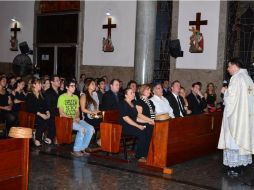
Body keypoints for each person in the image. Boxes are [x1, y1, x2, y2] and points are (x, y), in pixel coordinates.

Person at [218, 58, 254, 177]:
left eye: (229, 66)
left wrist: (225, 92)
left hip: (236, 117)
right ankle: (242, 165)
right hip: (246, 116)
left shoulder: (236, 78)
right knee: (242, 139)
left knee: (234, 140)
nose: (228, 69)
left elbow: (232, 99)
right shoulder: (248, 79)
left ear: (235, 66)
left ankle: (235, 167)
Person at [57, 78, 94, 157]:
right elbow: (61, 112)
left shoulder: (76, 97)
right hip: (66, 120)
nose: (74, 87)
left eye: (75, 86)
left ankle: (83, 148)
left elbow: (78, 111)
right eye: (72, 86)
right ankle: (76, 150)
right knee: (82, 129)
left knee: (90, 128)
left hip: (75, 119)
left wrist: (77, 117)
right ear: (67, 87)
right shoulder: (62, 97)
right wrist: (72, 119)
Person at [119, 88, 153, 162]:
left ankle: (146, 152)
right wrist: (138, 126)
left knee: (149, 127)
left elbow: (136, 118)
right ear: (126, 95)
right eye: (131, 93)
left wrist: (146, 122)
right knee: (142, 132)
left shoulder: (133, 104)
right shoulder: (123, 103)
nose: (133, 94)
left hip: (132, 124)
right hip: (125, 126)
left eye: (133, 92)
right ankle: (140, 155)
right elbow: (126, 118)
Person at [26, 78, 51, 146]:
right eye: (39, 84)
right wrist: (40, 114)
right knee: (42, 120)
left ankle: (47, 137)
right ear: (34, 85)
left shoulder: (41, 94)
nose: (41, 85)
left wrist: (48, 112)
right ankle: (37, 138)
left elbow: (45, 105)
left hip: (41, 113)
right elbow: (30, 108)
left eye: (40, 83)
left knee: (50, 119)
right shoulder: (30, 95)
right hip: (33, 114)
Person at [80, 79, 101, 144]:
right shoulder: (84, 95)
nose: (94, 85)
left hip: (95, 115)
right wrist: (92, 112)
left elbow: (97, 107)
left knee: (106, 120)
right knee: (102, 122)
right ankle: (96, 140)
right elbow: (83, 109)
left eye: (94, 84)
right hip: (88, 116)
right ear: (88, 85)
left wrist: (98, 112)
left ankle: (100, 140)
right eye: (92, 84)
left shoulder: (95, 95)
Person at [44, 75, 61, 143]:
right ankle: (50, 138)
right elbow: (48, 106)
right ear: (52, 82)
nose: (59, 82)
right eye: (57, 80)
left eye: (59, 80)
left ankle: (60, 138)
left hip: (59, 112)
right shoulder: (48, 92)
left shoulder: (60, 92)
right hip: (51, 114)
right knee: (53, 119)